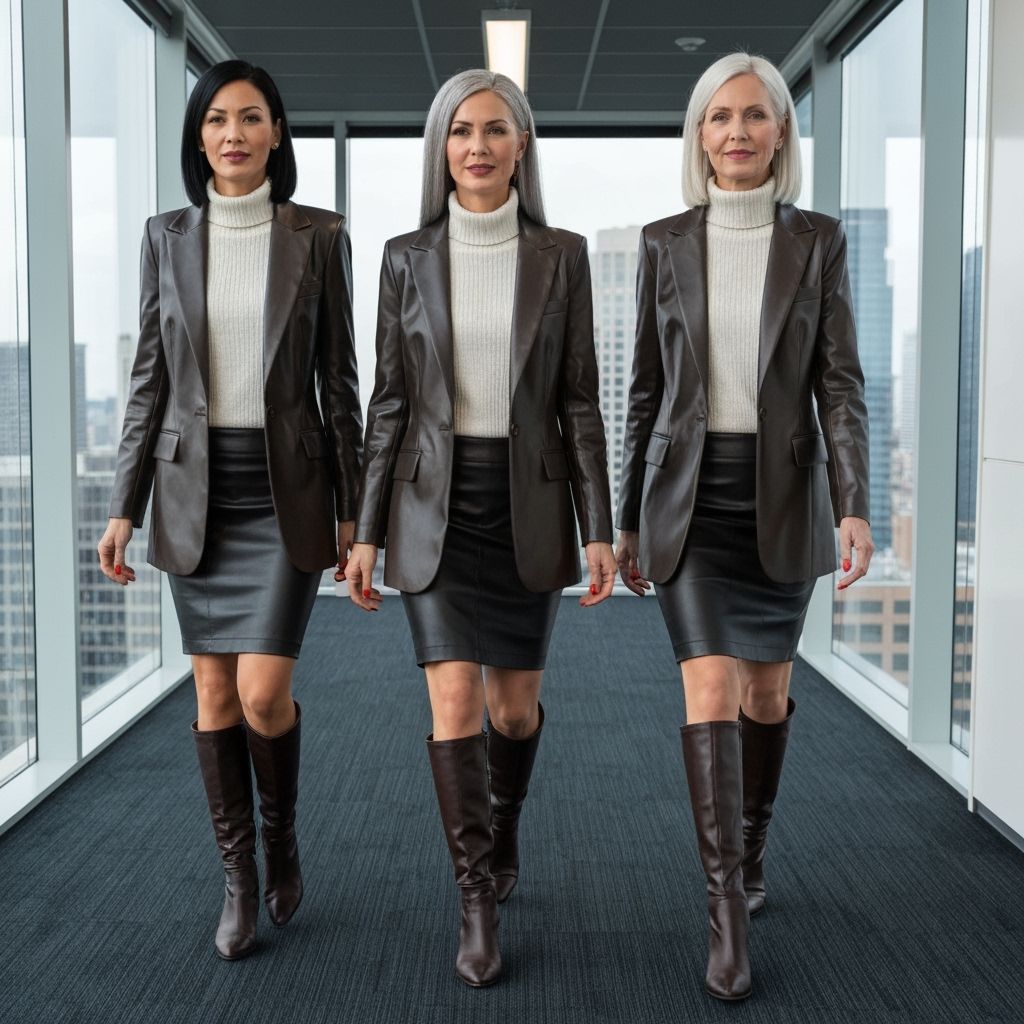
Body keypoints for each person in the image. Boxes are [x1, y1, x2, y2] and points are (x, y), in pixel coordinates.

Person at [346, 69, 616, 987]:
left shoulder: (563, 255)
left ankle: (503, 829)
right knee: (454, 705)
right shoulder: (403, 257)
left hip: (529, 506)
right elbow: (388, 405)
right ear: (441, 148)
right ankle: (473, 898)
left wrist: (599, 528)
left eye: (496, 130)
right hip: (434, 509)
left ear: (521, 146)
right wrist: (368, 532)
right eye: (461, 132)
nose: (477, 147)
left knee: (512, 710)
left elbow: (581, 403)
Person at [615, 52, 873, 1001]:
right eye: (718, 117)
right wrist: (624, 519)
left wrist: (854, 501)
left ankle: (752, 846)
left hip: (781, 497)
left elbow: (838, 384)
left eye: (753, 117)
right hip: (686, 500)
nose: (735, 132)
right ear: (699, 135)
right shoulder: (662, 241)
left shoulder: (818, 242)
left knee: (766, 696)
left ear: (780, 134)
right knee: (711, 686)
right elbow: (643, 390)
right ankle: (725, 909)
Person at [96, 60, 361, 961]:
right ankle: (239, 875)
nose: (234, 134)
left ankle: (281, 832)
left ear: (277, 134)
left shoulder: (320, 235)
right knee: (212, 690)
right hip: (191, 490)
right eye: (217, 119)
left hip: (287, 489)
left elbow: (340, 384)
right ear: (198, 136)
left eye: (251, 118)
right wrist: (123, 505)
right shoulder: (164, 236)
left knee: (262, 691)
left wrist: (355, 510)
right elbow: (149, 381)